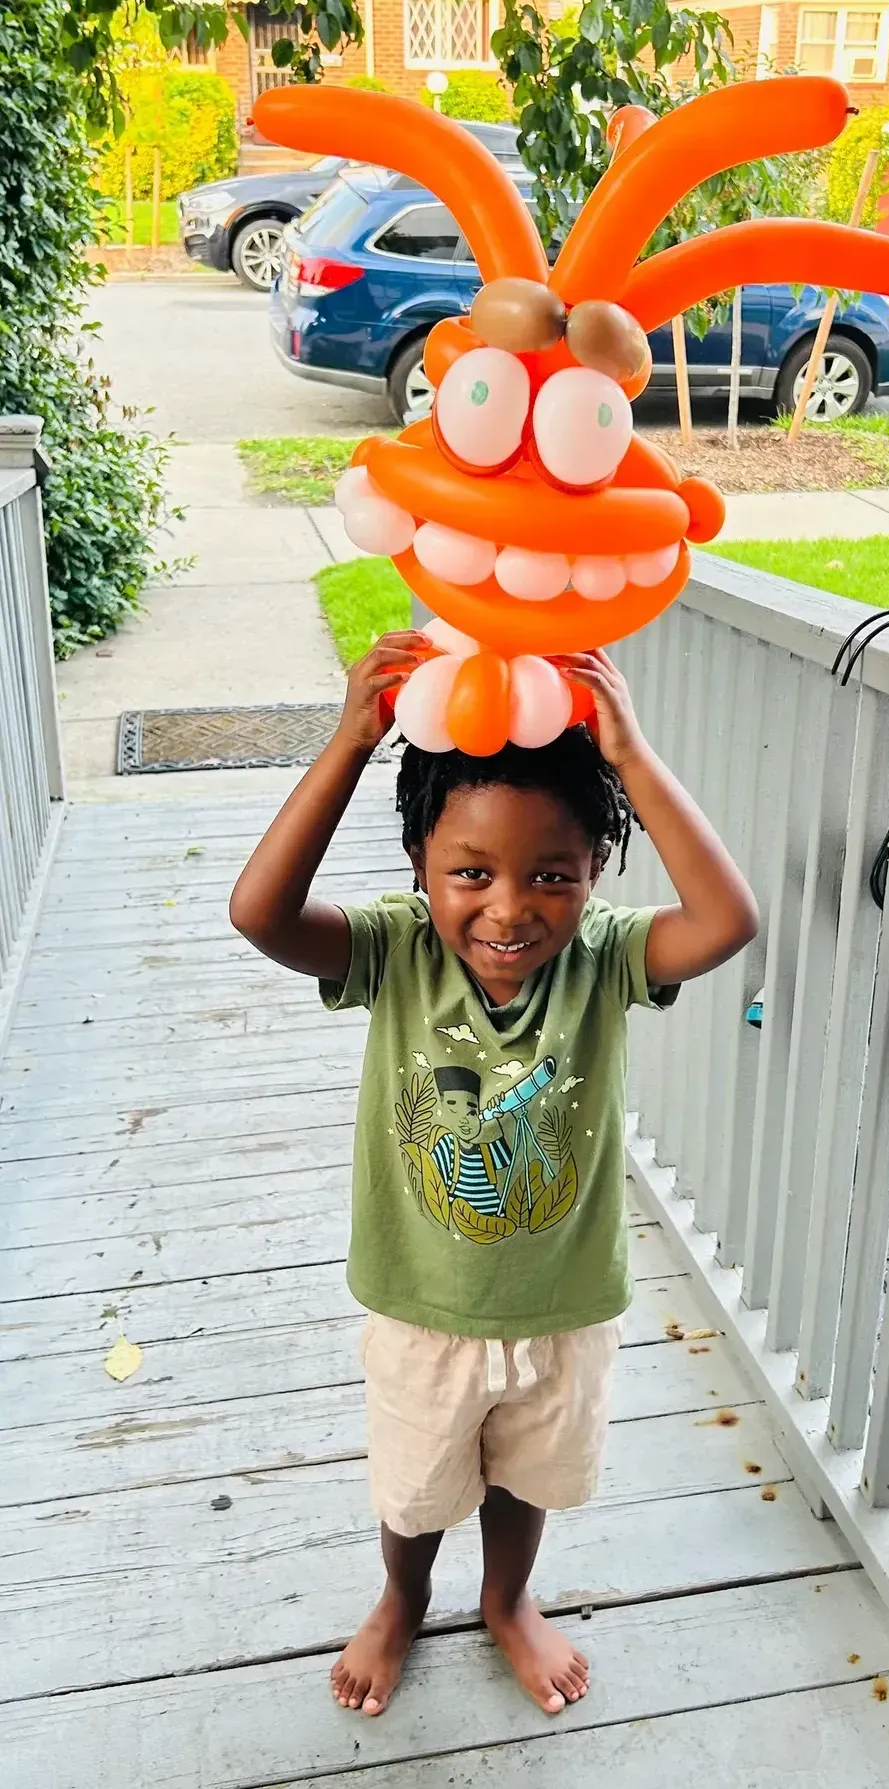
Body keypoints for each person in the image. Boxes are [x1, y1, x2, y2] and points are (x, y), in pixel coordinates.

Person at [229, 631, 758, 1722]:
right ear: (420, 864)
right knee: (418, 1493)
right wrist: (348, 744)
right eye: (469, 871)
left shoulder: (604, 954)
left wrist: (633, 757)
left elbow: (726, 922)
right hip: (425, 1309)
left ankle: (509, 1601)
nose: (510, 910)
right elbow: (261, 914)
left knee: (525, 1483)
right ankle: (402, 1598)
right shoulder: (394, 948)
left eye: (551, 875)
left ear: (596, 873)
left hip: (562, 1308)